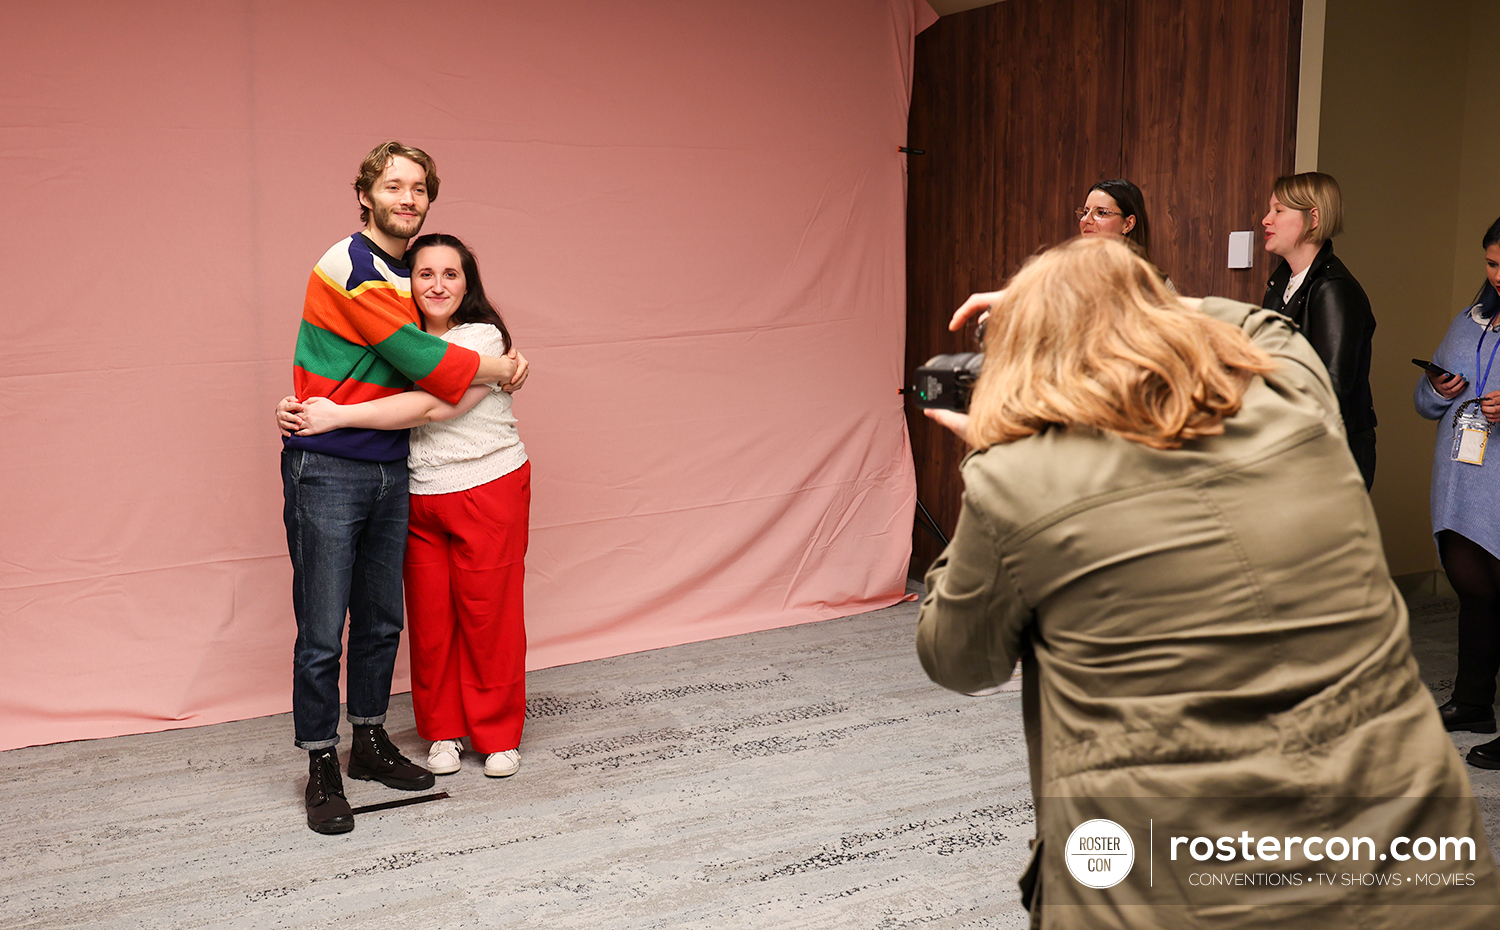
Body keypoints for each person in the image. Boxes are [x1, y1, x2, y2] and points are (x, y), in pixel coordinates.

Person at [918, 236, 1499, 926]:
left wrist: (987, 460)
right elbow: (1270, 330)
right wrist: (1131, 299)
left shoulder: (1016, 482)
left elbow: (958, 658)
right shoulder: (1297, 408)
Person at [283, 141, 524, 835]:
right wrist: (499, 364)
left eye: (418, 188)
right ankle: (322, 763)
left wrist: (491, 359)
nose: (407, 198)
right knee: (324, 631)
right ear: (366, 195)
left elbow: (406, 366)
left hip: (394, 466)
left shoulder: (406, 277)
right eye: (393, 186)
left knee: (383, 621)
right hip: (328, 463)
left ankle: (370, 742)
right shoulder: (352, 266)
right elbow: (417, 359)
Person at [1415, 216, 1500, 765]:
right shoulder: (1468, 322)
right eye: (1492, 264)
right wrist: (1436, 386)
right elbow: (1425, 404)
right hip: (1459, 479)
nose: (1499, 276)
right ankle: (1473, 703)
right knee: (1474, 595)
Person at [1261, 171, 1377, 488]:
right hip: (1288, 445)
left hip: (1328, 455)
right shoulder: (1279, 285)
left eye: (1278, 211)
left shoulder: (1334, 289)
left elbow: (1331, 388)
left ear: (1313, 218)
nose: (1265, 220)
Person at [1077, 178, 1153, 260]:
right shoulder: (1068, 270)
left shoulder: (1143, 272)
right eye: (1085, 212)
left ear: (1128, 224)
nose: (1086, 220)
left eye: (1101, 213)